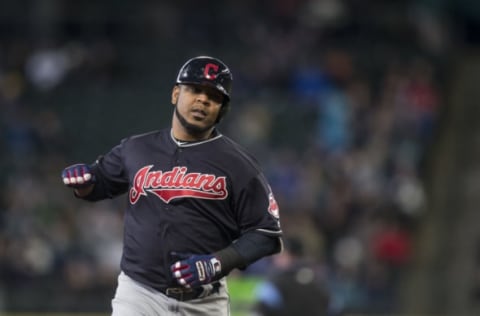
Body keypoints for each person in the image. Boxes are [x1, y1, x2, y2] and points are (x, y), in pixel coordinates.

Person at [61, 56, 283, 316]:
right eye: (194, 90)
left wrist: (217, 262)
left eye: (213, 96)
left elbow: (266, 235)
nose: (202, 99)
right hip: (139, 294)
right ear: (176, 93)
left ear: (222, 109)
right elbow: (98, 184)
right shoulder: (136, 148)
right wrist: (84, 183)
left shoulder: (239, 165)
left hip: (203, 301)